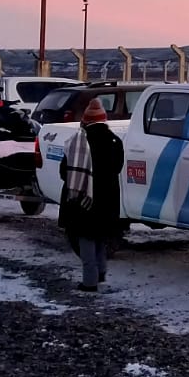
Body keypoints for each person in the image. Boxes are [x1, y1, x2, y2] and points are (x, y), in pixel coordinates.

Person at [58, 100, 125, 291]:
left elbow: (65, 172)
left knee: (84, 237)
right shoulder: (115, 141)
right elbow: (118, 168)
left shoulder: (77, 142)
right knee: (100, 236)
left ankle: (90, 281)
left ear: (86, 120)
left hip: (82, 199)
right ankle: (101, 272)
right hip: (108, 198)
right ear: (104, 119)